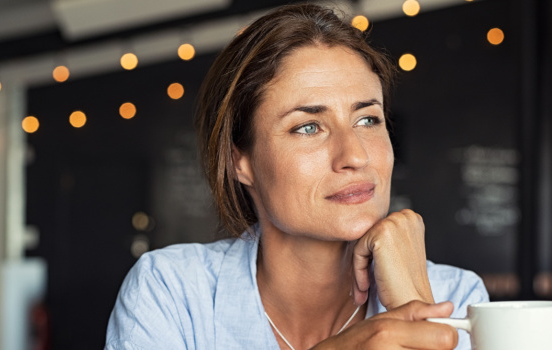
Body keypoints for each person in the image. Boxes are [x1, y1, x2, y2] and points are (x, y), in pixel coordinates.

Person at [105, 4, 488, 349]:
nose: (355, 155)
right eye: (308, 127)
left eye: (368, 119)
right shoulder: (174, 291)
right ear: (241, 160)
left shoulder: (457, 296)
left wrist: (415, 306)